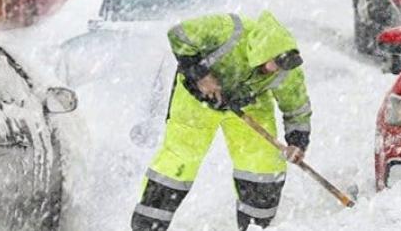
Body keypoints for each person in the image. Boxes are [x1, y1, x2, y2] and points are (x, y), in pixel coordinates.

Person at [131, 12, 312, 231]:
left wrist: (298, 142)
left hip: (248, 102)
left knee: (263, 162)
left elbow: (297, 107)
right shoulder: (229, 30)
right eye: (272, 64)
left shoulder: (286, 69)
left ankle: (258, 226)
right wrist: (200, 74)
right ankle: (149, 224)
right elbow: (178, 34)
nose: (274, 71)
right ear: (261, 51)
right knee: (179, 159)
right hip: (196, 99)